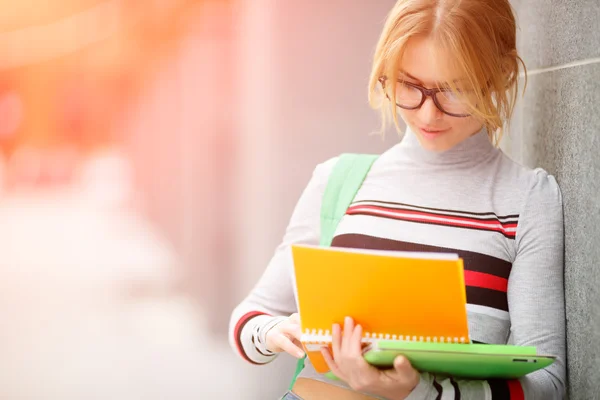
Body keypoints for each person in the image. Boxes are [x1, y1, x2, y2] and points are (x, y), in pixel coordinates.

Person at [229, 0, 566, 399]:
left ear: (503, 74)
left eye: (455, 89)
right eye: (409, 85)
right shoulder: (337, 182)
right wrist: (273, 332)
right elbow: (249, 318)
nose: (428, 114)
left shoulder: (527, 199)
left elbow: (549, 385)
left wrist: (419, 392)